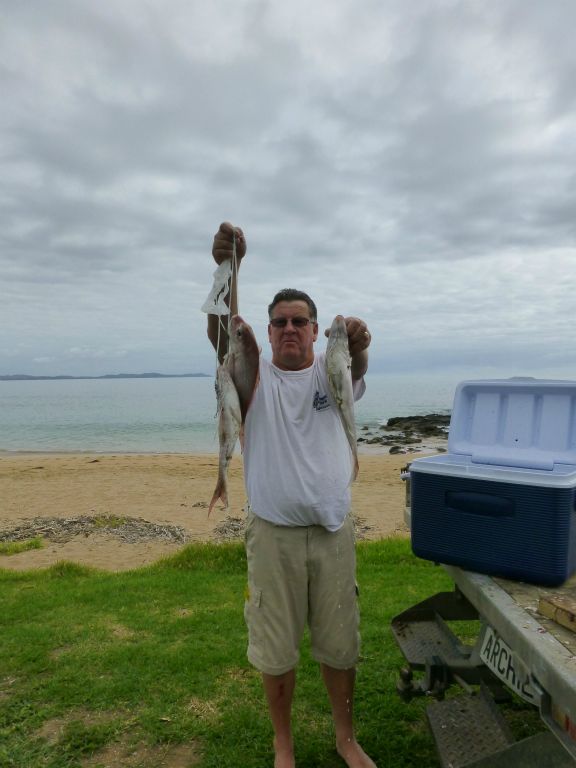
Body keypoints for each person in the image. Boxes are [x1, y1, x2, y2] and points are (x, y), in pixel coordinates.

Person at [206, 222, 376, 768]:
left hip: (332, 533)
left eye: (298, 321)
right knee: (276, 651)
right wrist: (229, 266)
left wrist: (361, 344)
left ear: (317, 329)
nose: (286, 329)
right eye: (278, 322)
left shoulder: (332, 372)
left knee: (339, 643)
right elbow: (223, 334)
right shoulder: (254, 381)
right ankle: (284, 745)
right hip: (272, 536)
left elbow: (357, 366)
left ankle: (345, 736)